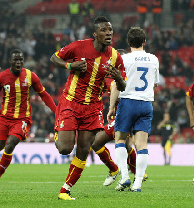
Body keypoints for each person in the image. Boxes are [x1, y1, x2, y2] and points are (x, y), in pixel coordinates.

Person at [50, 16, 126, 200]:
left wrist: (118, 78)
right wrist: (70, 65)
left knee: (84, 149)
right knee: (65, 149)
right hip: (70, 101)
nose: (108, 34)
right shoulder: (78, 46)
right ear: (95, 34)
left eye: (110, 31)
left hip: (93, 108)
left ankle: (65, 189)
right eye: (104, 31)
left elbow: (123, 87)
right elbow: (54, 58)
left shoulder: (115, 56)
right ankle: (58, 130)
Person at [0, 49, 56, 185]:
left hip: (22, 119)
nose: (18, 62)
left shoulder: (31, 76)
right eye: (16, 60)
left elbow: (43, 94)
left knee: (10, 144)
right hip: (4, 118)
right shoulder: (2, 77)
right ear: (10, 61)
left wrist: (57, 112)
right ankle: (4, 154)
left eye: (21, 59)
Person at [107, 27, 159, 192]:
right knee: (141, 144)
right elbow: (155, 83)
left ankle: (124, 177)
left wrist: (110, 107)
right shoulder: (154, 59)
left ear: (128, 43)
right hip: (146, 104)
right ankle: (137, 184)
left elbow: (116, 85)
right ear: (144, 42)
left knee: (120, 140)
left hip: (128, 101)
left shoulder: (124, 59)